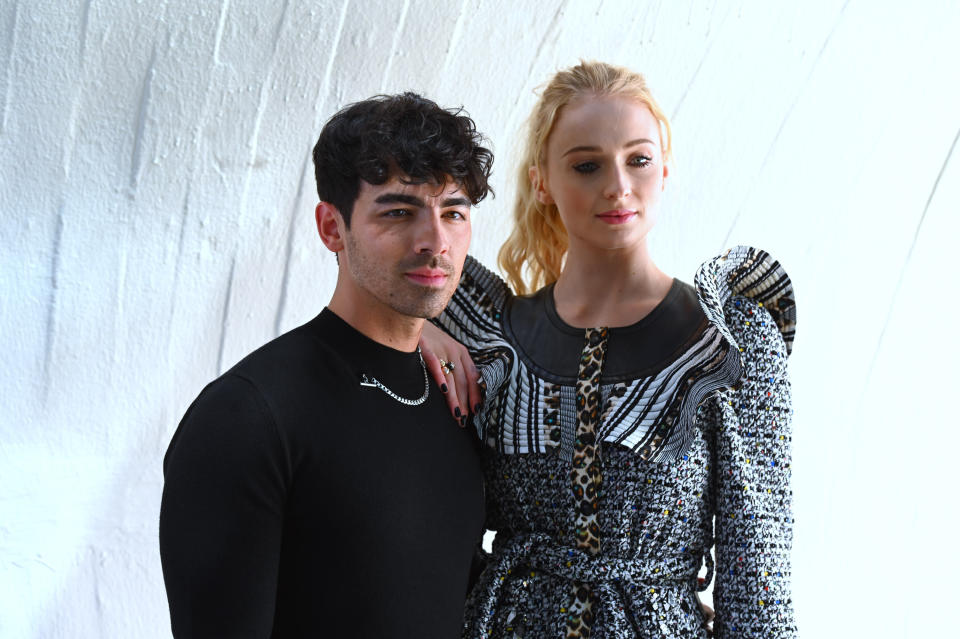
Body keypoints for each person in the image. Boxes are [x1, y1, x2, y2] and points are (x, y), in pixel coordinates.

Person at [421, 61, 798, 637]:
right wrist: (413, 327)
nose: (618, 186)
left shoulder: (729, 342)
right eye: (587, 165)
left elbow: (759, 581)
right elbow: (371, 270)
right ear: (542, 179)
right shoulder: (486, 330)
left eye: (638, 160)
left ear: (665, 169)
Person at [159, 92, 494, 638]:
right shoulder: (247, 417)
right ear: (332, 227)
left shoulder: (455, 394)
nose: (436, 241)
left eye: (453, 211)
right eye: (399, 212)